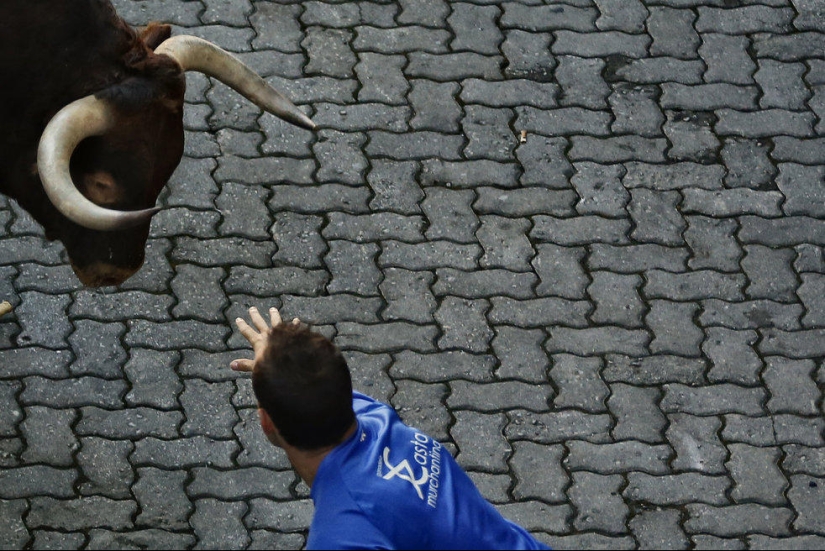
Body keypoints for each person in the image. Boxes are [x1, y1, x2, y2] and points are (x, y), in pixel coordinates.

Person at [231, 306, 551, 550]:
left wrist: (276, 364)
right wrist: (283, 356)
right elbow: (314, 380)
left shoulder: (344, 533)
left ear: (266, 422)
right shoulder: (373, 415)